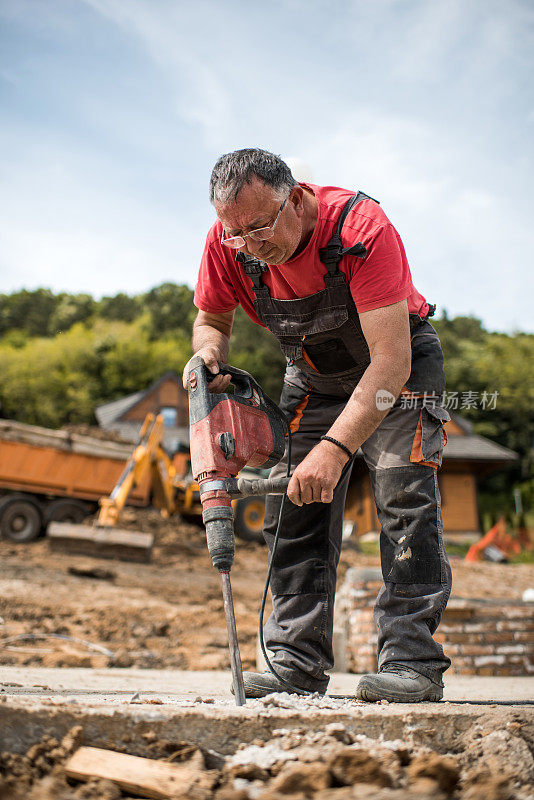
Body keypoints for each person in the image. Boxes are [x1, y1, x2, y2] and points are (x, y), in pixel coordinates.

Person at [183, 148, 451, 703]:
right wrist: (208, 354)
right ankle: (295, 663)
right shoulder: (226, 242)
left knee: (405, 501)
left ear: (298, 198)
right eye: (238, 235)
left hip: (395, 369)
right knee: (294, 511)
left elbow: (390, 365)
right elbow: (211, 318)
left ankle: (411, 663)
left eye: (261, 227)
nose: (252, 246)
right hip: (312, 376)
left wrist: (333, 450)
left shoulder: (360, 230)